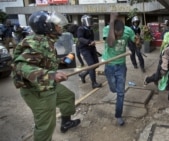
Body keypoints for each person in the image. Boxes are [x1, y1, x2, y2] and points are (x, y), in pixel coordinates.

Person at [12, 10, 81, 141]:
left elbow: (43, 61)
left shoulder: (47, 41)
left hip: (47, 85)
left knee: (67, 97)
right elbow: (21, 67)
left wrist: (61, 61)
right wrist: (51, 75)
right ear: (47, 27)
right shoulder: (35, 43)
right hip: (36, 91)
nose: (60, 27)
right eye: (56, 25)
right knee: (46, 125)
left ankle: (66, 123)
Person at [102, 13, 139, 126]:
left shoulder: (128, 30)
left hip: (121, 66)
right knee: (113, 89)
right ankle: (114, 88)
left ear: (124, 29)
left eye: (120, 34)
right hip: (109, 65)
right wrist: (112, 22)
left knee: (120, 93)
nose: (119, 36)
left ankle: (118, 115)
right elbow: (111, 43)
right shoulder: (107, 29)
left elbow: (137, 43)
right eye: (116, 34)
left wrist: (138, 42)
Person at [143, 22, 169, 86]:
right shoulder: (168, 34)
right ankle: (148, 79)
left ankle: (167, 85)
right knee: (159, 75)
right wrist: (161, 55)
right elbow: (163, 45)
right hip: (164, 57)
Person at [77, 15, 102, 89]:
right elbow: (80, 38)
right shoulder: (80, 29)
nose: (90, 23)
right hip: (84, 49)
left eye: (90, 21)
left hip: (92, 49)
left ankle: (83, 74)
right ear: (83, 22)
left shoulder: (90, 29)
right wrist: (88, 42)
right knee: (91, 65)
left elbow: (92, 39)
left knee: (96, 65)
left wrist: (94, 46)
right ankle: (94, 83)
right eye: (88, 21)